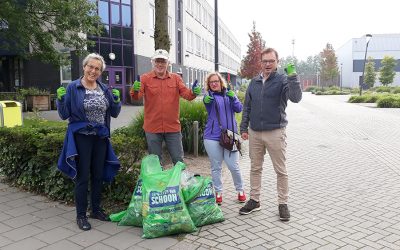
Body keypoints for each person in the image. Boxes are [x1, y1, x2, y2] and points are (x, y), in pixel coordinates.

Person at [56, 53, 122, 231]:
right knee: (83, 176)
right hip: (81, 137)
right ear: (84, 67)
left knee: (98, 175)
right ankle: (81, 215)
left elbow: (114, 112)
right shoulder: (73, 87)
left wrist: (116, 100)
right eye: (90, 67)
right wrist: (60, 100)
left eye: (97, 68)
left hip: (100, 137)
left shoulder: (104, 89)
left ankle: (96, 210)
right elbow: (64, 114)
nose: (93, 71)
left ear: (101, 71)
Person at [238, 48, 302, 221]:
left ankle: (283, 203)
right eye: (265, 61)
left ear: (277, 62)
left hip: (275, 132)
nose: (267, 64)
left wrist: (293, 76)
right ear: (261, 62)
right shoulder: (254, 82)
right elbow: (247, 107)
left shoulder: (283, 80)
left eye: (271, 61)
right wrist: (243, 128)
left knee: (281, 171)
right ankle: (255, 200)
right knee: (255, 168)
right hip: (255, 132)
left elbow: (296, 98)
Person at [130, 49, 201, 165]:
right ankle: (157, 183)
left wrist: (193, 92)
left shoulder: (176, 79)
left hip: (172, 128)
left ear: (168, 63)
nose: (160, 64)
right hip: (152, 128)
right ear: (153, 62)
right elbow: (136, 97)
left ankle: (179, 182)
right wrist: (134, 89)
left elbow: (187, 95)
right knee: (155, 162)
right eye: (157, 61)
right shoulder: (145, 78)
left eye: (163, 61)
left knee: (178, 160)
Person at [202, 72, 246, 205]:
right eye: (211, 82)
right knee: (216, 167)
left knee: (233, 166)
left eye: (216, 81)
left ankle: (240, 190)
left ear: (221, 82)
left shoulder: (229, 95)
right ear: (209, 85)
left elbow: (239, 109)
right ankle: (218, 192)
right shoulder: (209, 97)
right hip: (212, 136)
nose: (214, 83)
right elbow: (207, 103)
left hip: (231, 136)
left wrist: (234, 98)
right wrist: (206, 100)